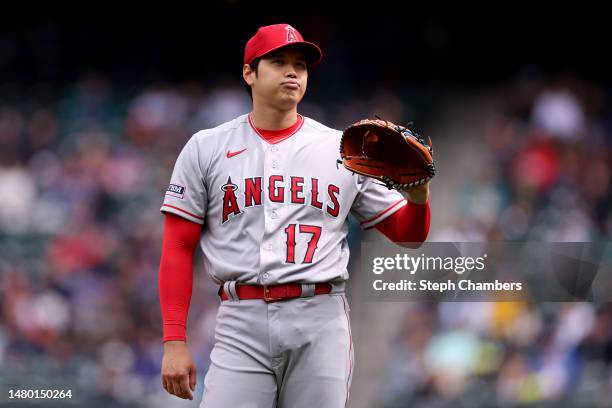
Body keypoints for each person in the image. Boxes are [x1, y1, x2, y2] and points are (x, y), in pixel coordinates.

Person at [158, 23, 431, 407]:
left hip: (319, 317)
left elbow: (409, 235)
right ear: (249, 72)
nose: (292, 72)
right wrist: (174, 339)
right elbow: (177, 248)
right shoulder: (206, 148)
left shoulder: (344, 149)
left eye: (300, 65)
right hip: (241, 318)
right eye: (279, 61)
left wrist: (419, 199)